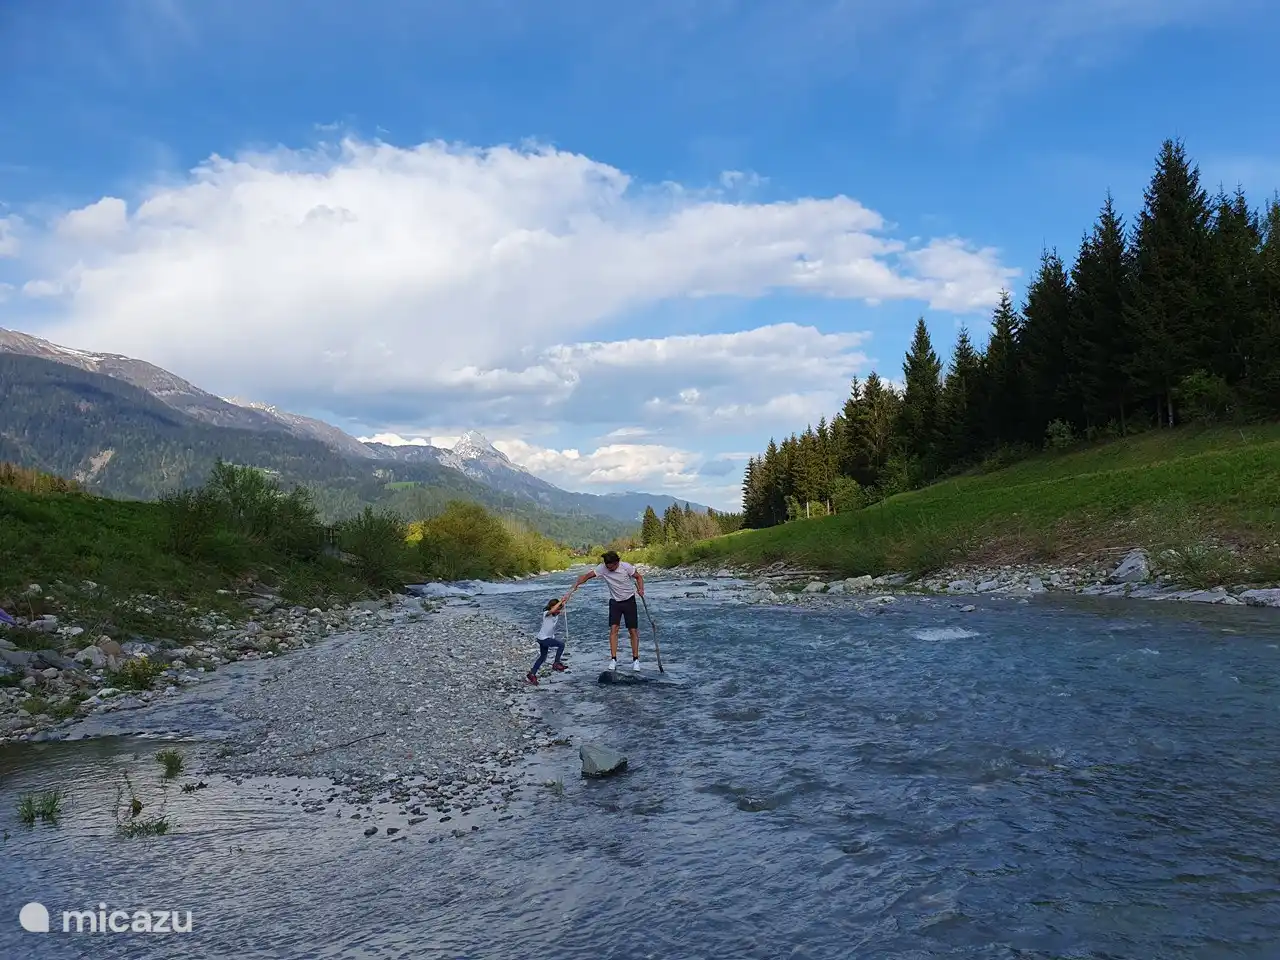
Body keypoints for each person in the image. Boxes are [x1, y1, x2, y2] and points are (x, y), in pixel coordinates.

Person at [567, 550, 645, 672]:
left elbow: (639, 577)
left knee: (633, 630)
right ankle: (613, 659)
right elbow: (587, 576)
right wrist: (576, 584)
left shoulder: (626, 567)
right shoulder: (602, 568)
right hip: (614, 602)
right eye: (607, 567)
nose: (609, 569)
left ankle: (635, 660)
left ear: (617, 562)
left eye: (611, 567)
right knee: (614, 629)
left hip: (629, 600)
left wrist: (641, 589)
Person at [527, 594, 572, 684]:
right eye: (557, 608)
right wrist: (560, 602)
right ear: (552, 607)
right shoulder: (546, 614)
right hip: (544, 639)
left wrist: (568, 595)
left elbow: (561, 606)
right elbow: (553, 610)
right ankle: (556, 663)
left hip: (543, 638)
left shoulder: (555, 614)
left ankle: (532, 674)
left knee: (542, 657)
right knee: (561, 645)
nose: (559, 610)